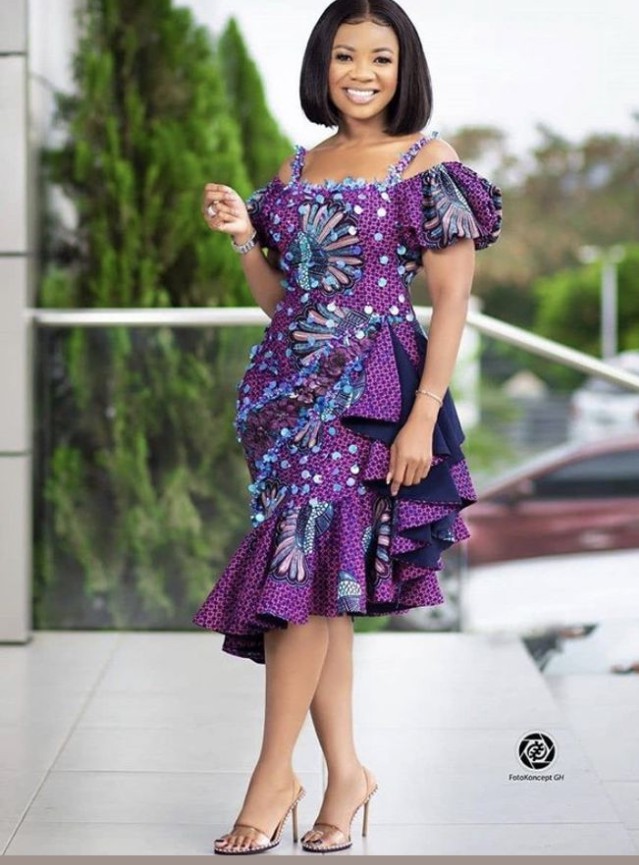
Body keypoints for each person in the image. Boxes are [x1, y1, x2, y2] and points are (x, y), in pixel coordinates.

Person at [195, 0, 502, 854]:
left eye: (380, 57)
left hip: (370, 393)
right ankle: (347, 774)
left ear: (404, 70)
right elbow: (282, 303)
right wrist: (244, 239)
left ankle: (272, 775)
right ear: (321, 66)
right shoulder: (298, 168)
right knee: (321, 582)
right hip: (283, 395)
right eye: (343, 55)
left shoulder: (427, 163)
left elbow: (450, 302)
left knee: (298, 562)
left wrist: (422, 417)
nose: (360, 73)